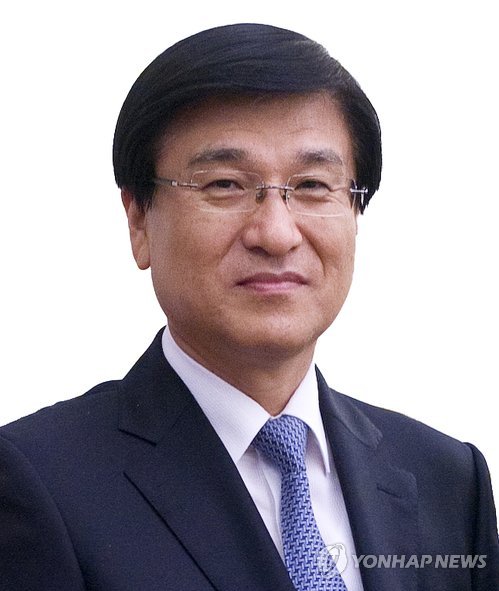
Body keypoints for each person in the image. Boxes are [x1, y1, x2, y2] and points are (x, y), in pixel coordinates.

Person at [0, 23, 497, 591]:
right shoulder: (37, 483)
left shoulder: (447, 481)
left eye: (312, 186)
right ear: (138, 219)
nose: (277, 234)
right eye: (225, 185)